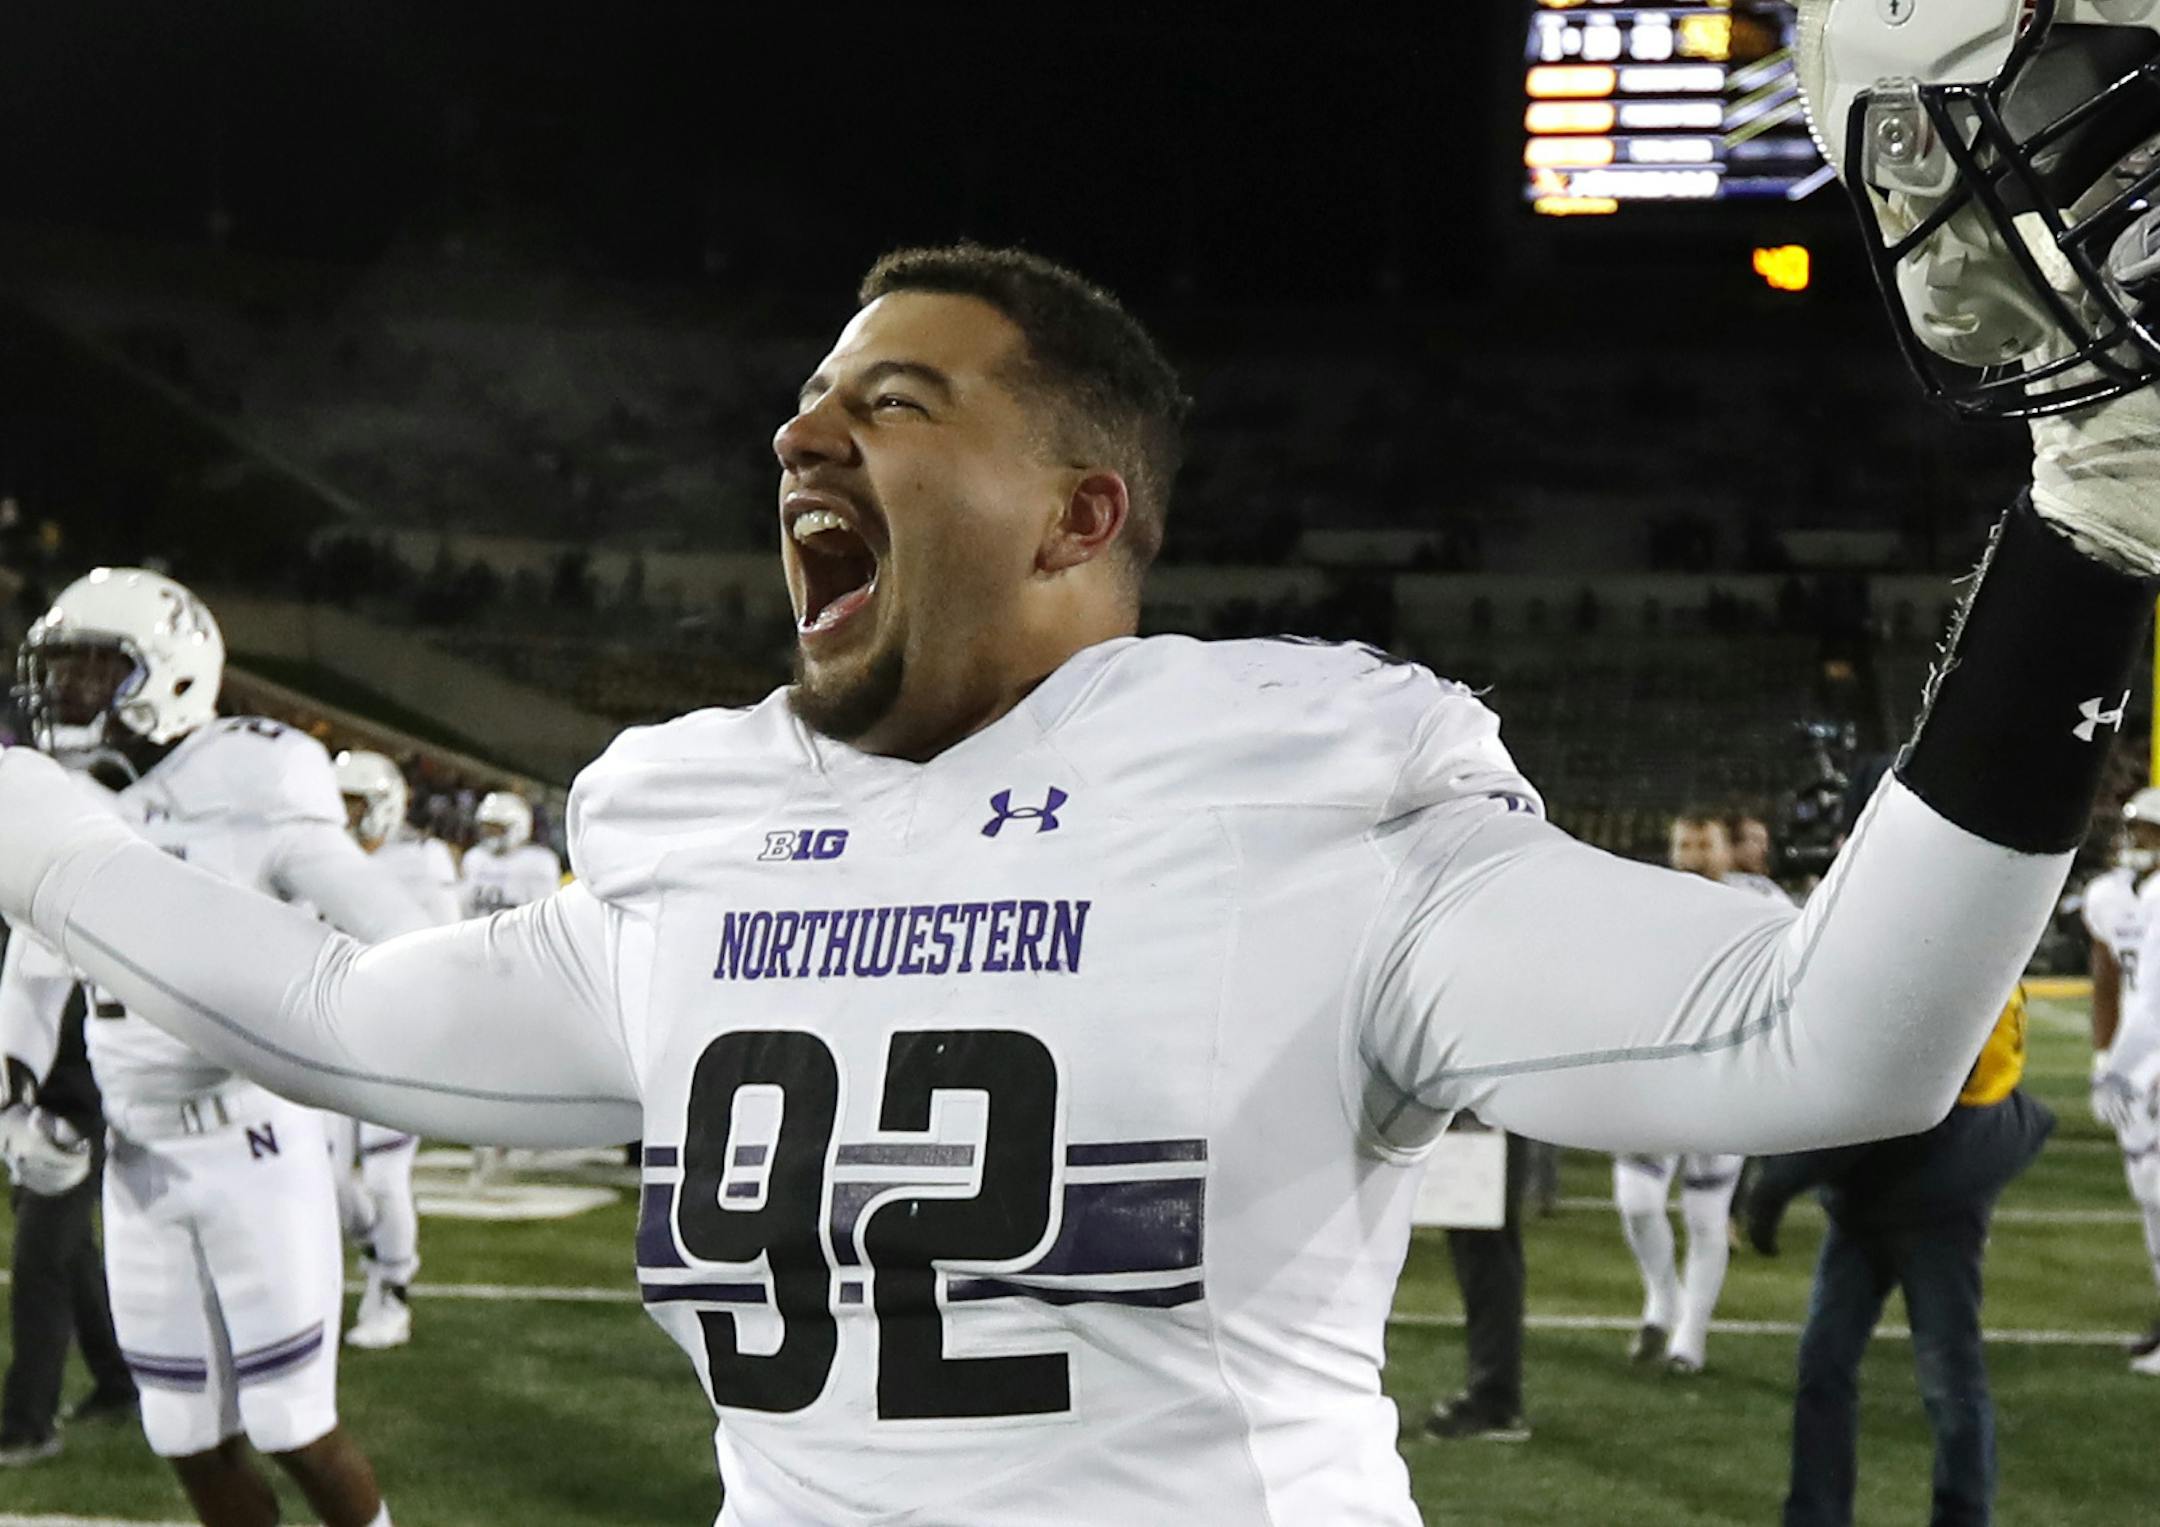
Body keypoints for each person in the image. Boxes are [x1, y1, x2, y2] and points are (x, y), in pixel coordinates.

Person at [0, 239, 2148, 1525]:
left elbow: (1836, 1034)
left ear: (1074, 510)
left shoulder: (1293, 781)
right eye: (805, 400)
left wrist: (2094, 517)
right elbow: (327, 1016)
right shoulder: (703, 826)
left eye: (891, 401)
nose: (798, 440)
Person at [0, 569, 427, 1527]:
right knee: (182, 1433)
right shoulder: (70, 794)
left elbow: (395, 923)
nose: (64, 692)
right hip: (136, 1155)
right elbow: (35, 962)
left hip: (253, 1142)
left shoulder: (255, 778)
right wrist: (14, 1098)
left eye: (91, 670)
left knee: (294, 1425)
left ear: (174, 674)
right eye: (58, 671)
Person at [1746, 989, 2053, 1527]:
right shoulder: (1977, 955)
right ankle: (1820, 1514)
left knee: (1944, 1376)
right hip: (1909, 1185)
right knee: (1830, 1364)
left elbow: (1883, 1107)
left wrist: (1776, 1186)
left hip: (1928, 1193)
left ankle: (1955, 1514)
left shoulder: (1942, 976)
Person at [330, 749, 461, 1350]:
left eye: (353, 802)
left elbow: (452, 946)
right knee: (329, 1183)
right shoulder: (320, 857)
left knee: (385, 1176)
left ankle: (393, 1291)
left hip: (396, 1034)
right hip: (325, 1032)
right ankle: (375, 1251)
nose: (342, 814)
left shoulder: (422, 860)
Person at [1609, 810, 1749, 1374]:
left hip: (1726, 1081)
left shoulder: (1760, 907)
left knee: (1706, 1214)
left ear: (1726, 849)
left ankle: (1690, 1338)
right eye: (1684, 844)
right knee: (1637, 1202)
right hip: (1655, 1077)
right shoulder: (1646, 902)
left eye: (1704, 844)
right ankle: (1661, 1298)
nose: (1693, 855)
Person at [0, 933, 136, 1466]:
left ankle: (26, 1426)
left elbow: (64, 1023)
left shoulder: (34, 923)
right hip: (34, 1107)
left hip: (72, 1109)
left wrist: (37, 1111)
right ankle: (118, 1381)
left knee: (40, 1261)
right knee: (71, 1251)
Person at [452, 787, 561, 1186]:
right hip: (481, 971)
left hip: (521, 974)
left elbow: (543, 922)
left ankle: (518, 1132)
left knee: (521, 1063)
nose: (491, 834)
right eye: (488, 826)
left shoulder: (539, 865)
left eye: (499, 827)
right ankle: (488, 1144)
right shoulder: (474, 860)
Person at [2088, 786, 2160, 1373]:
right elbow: (2110, 979)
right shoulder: (2116, 895)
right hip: (2142, 1063)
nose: (2134, 839)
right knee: (2151, 1195)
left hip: (2151, 1061)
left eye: (2147, 830)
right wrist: (2104, 1057)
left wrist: (2118, 1069)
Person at [1422, 1120, 1532, 1442]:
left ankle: (1495, 1399)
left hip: (1486, 1110)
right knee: (1479, 1244)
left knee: (1484, 1243)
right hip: (1483, 1107)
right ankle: (1493, 1394)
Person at [456, 790, 560, 917]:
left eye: (496, 828)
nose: (489, 834)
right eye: (486, 828)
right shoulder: (474, 858)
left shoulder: (539, 862)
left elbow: (543, 915)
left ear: (517, 827)